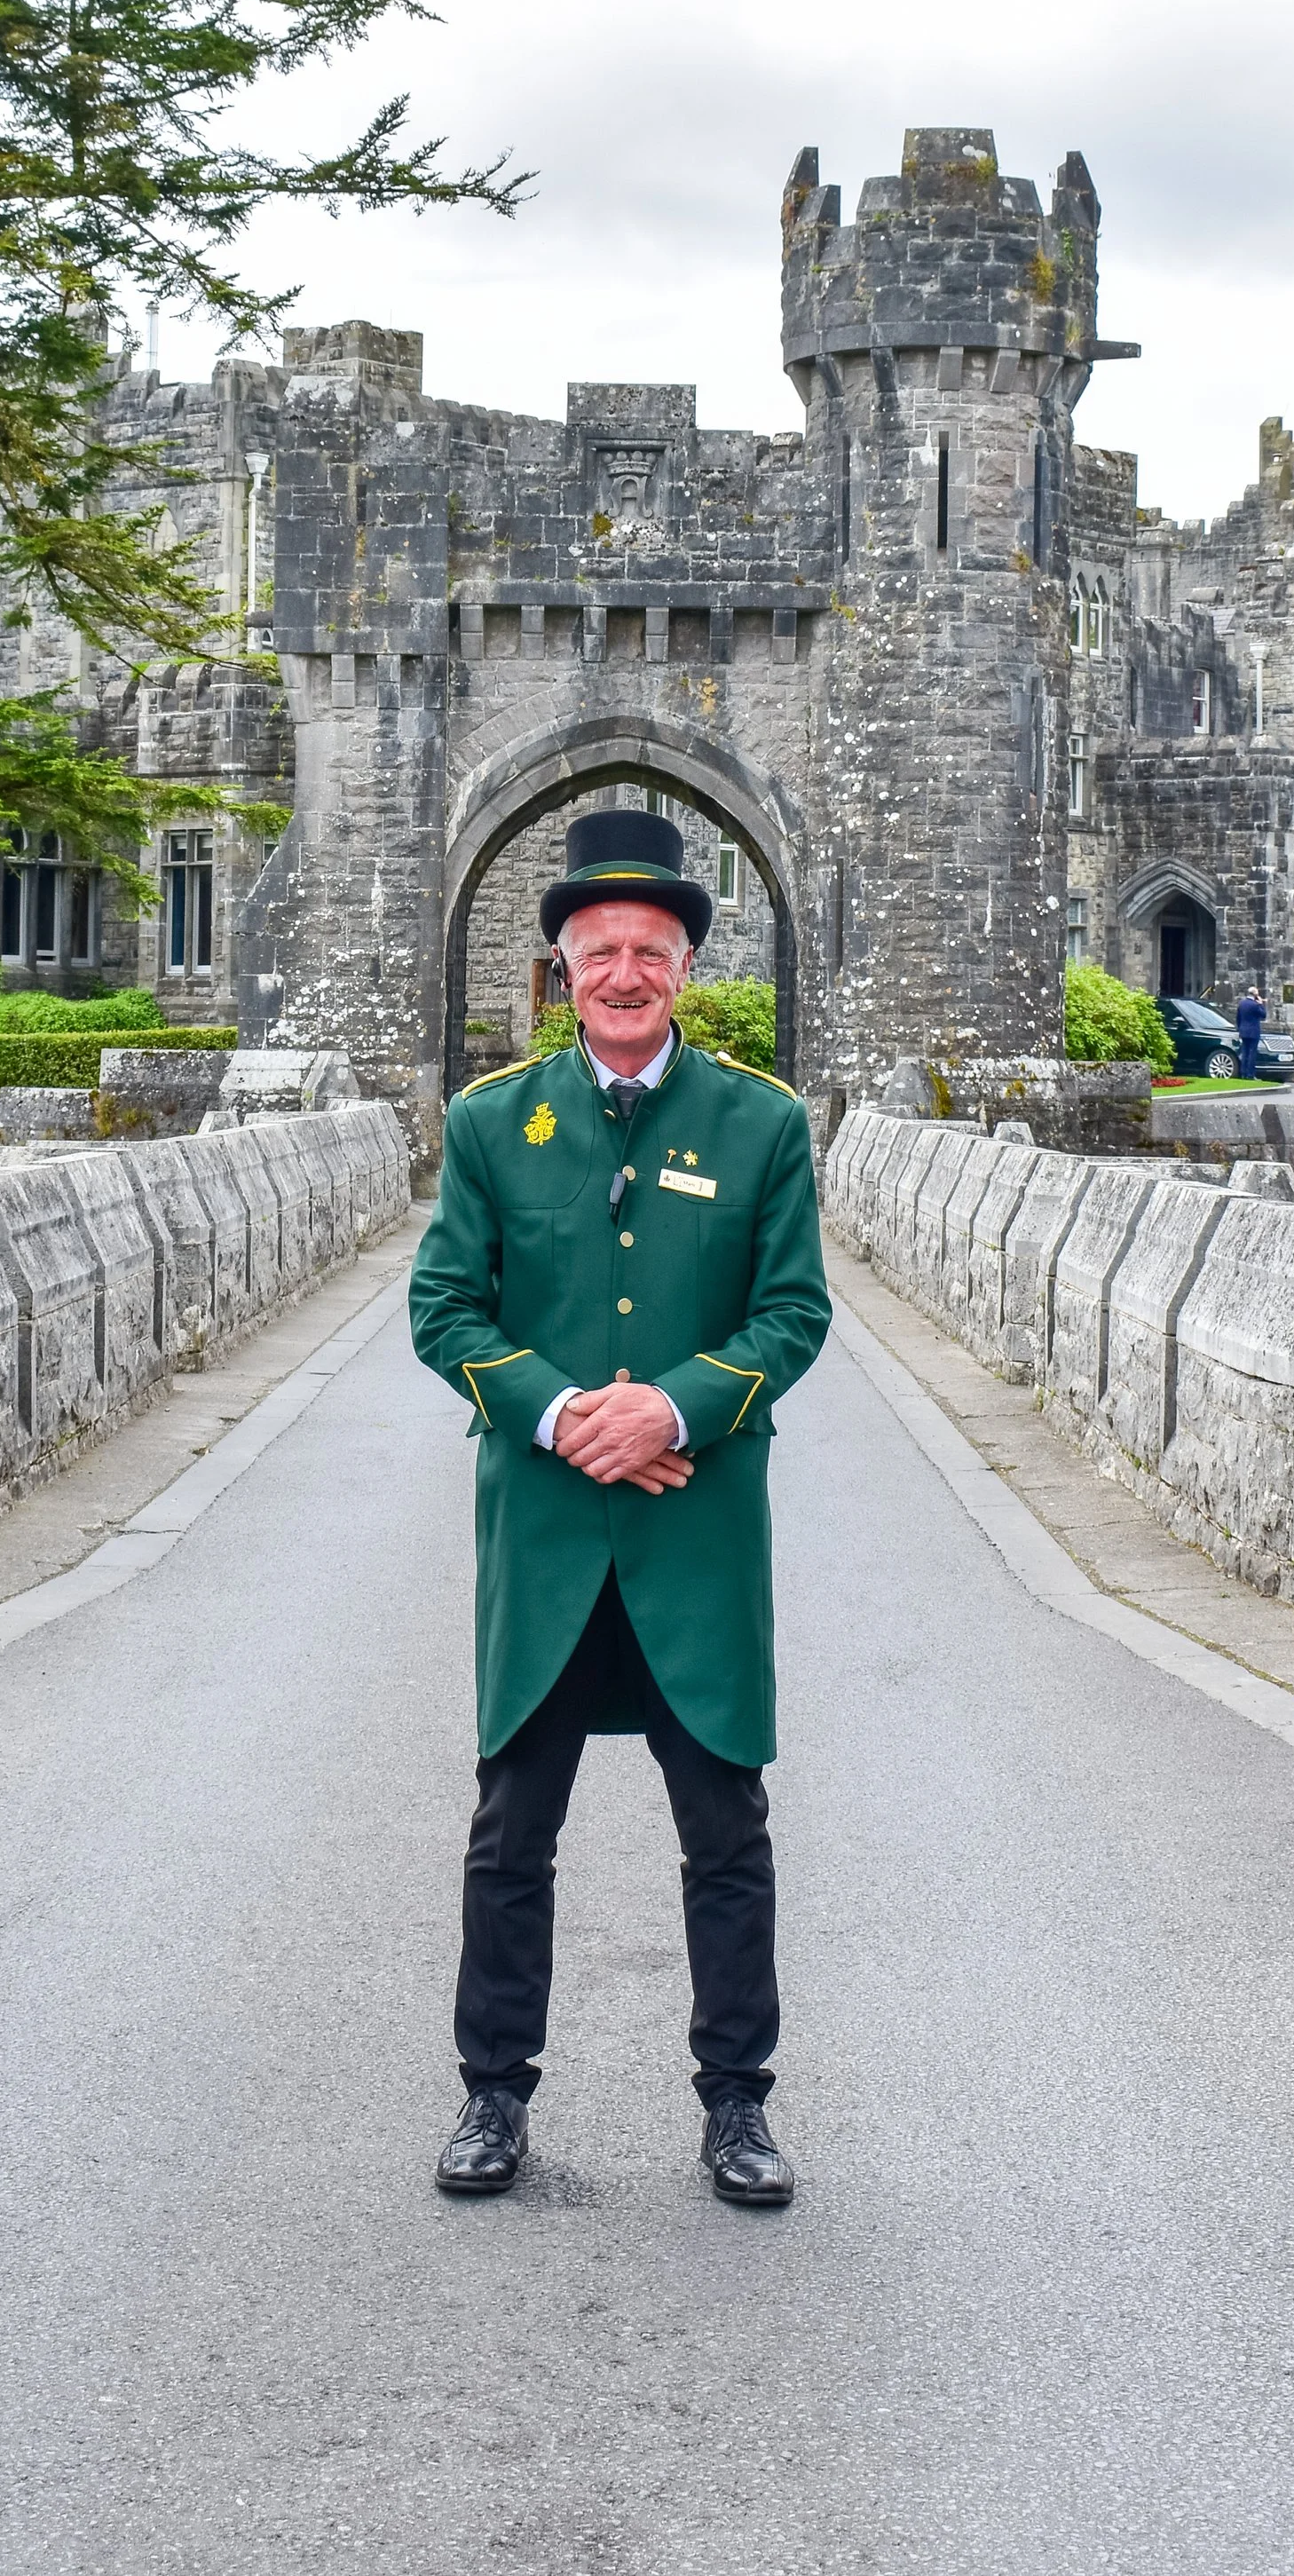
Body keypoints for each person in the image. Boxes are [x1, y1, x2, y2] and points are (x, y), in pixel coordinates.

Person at [409, 805, 832, 2209]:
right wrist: (560, 1412)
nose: (627, 972)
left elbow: (793, 1314)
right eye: (602, 950)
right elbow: (443, 1306)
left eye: (653, 949)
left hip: (695, 1542)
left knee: (726, 1831)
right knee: (510, 1832)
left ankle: (739, 2105)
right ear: (563, 969)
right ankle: (491, 2097)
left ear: (684, 970)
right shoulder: (492, 1124)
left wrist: (677, 1407)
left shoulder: (762, 1123)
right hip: (543, 1543)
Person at [1235, 985, 1266, 1079]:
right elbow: (1264, 1015)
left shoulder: (1241, 1004)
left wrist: (1240, 1028)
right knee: (1252, 1053)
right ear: (1255, 994)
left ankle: (1243, 1073)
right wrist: (1261, 1003)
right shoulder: (1255, 1005)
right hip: (1253, 1032)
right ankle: (1250, 1074)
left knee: (1244, 1052)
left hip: (1244, 1031)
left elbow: (1238, 1018)